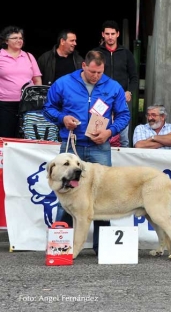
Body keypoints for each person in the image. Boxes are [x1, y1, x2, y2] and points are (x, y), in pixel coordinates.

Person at [43, 50, 130, 255]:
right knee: (65, 195)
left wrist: (109, 131)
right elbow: (48, 108)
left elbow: (124, 115)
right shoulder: (63, 83)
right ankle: (61, 246)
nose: (96, 76)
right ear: (84, 66)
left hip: (100, 146)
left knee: (103, 195)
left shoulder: (113, 86)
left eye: (100, 72)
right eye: (92, 72)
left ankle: (103, 247)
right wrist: (63, 119)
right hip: (71, 146)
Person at [95, 20, 139, 148]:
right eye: (107, 33)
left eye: (112, 34)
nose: (110, 37)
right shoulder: (97, 53)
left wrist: (129, 91)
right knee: (97, 131)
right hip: (100, 98)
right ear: (102, 34)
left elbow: (134, 77)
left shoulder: (126, 53)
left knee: (123, 137)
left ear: (118, 34)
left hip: (121, 98)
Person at [0, 26, 42, 138]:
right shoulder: (1, 56)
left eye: (20, 38)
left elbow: (37, 79)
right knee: (6, 136)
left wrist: (38, 99)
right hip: (5, 104)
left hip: (28, 104)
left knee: (27, 135)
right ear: (6, 41)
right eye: (15, 38)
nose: (19, 40)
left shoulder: (28, 56)